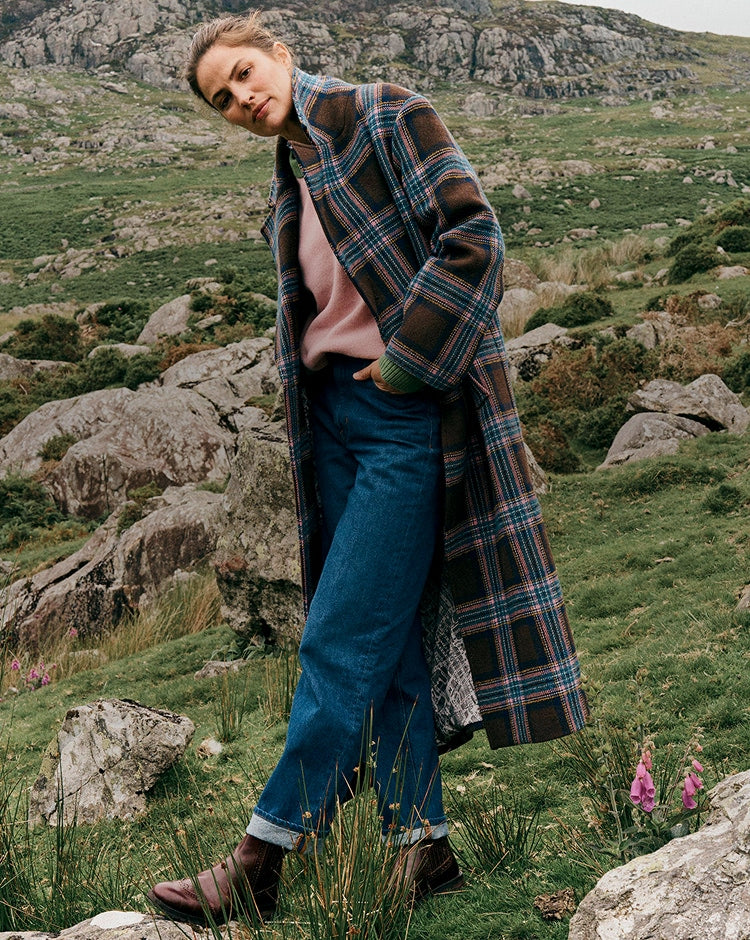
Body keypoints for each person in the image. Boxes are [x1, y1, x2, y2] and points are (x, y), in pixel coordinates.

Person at [148, 10, 589, 926]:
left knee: (338, 633)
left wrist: (402, 367)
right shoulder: (290, 177)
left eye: (242, 75)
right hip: (334, 425)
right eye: (222, 101)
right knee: (381, 645)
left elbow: (475, 241)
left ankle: (260, 857)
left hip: (401, 414)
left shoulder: (387, 114)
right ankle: (419, 849)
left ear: (277, 51)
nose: (241, 100)